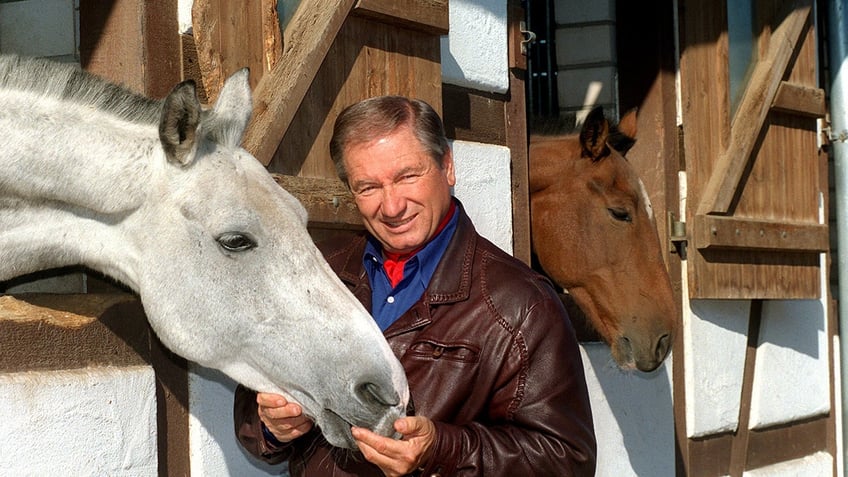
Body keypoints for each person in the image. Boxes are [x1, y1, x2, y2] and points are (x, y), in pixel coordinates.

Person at [233, 96, 596, 476]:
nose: (391, 207)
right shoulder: (319, 271)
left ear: (448, 166)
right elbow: (253, 395)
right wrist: (272, 426)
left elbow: (567, 459)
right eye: (368, 187)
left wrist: (442, 450)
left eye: (407, 176)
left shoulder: (520, 305)